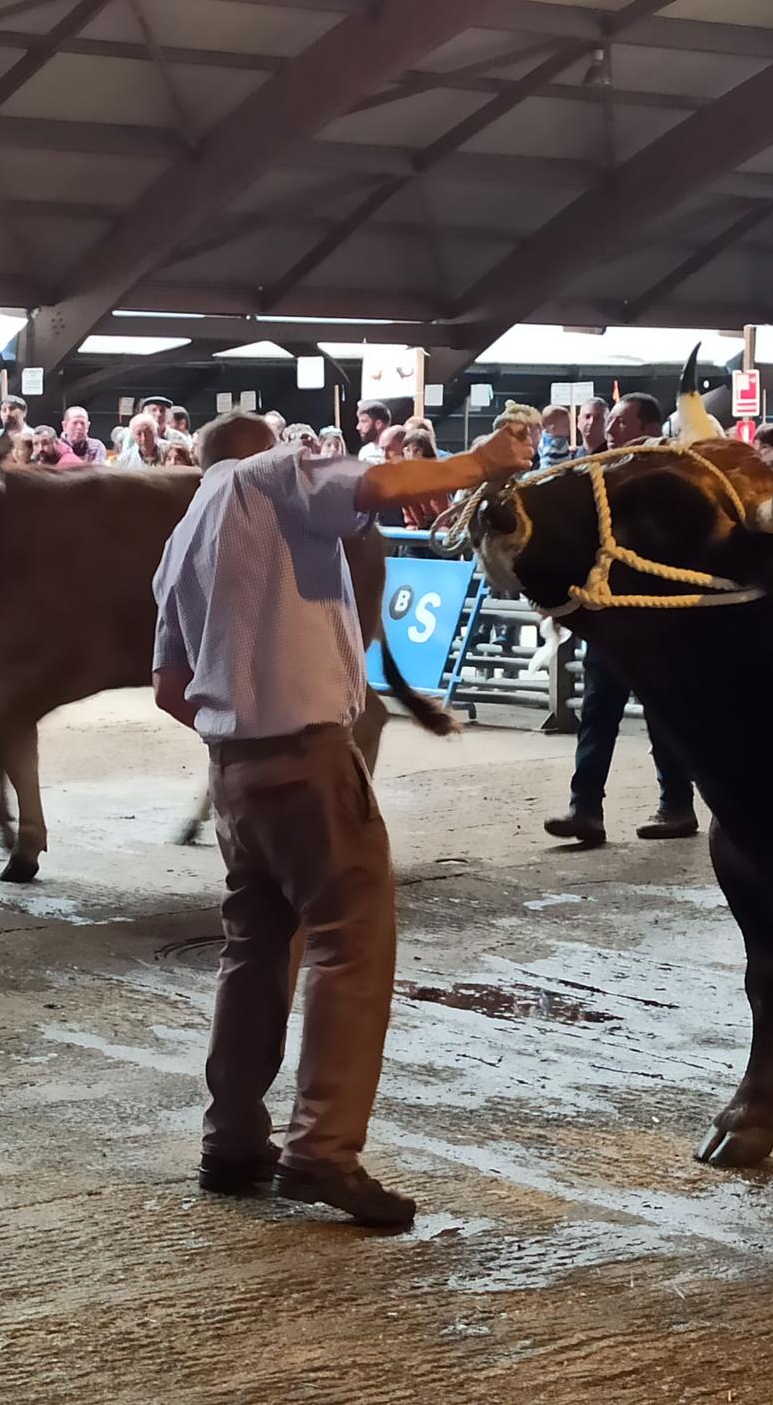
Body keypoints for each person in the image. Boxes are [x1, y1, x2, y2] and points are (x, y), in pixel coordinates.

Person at [152, 410, 534, 1227]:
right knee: (349, 942)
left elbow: (169, 688)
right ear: (270, 449)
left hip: (234, 771)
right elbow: (380, 481)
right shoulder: (272, 477)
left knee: (254, 948)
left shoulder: (182, 539)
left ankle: (232, 1141)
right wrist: (483, 460)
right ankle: (323, 1151)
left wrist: (243, 736)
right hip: (307, 757)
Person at [544, 387, 697, 848]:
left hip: (655, 620)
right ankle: (584, 808)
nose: (610, 431)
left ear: (650, 430)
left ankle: (677, 805)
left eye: (620, 424)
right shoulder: (596, 474)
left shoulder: (675, 476)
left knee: (662, 717)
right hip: (611, 618)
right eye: (609, 424)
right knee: (598, 713)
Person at [537, 404, 575, 469]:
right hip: (555, 471)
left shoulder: (544, 437)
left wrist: (567, 449)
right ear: (552, 428)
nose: (569, 428)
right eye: (565, 426)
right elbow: (549, 459)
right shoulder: (558, 442)